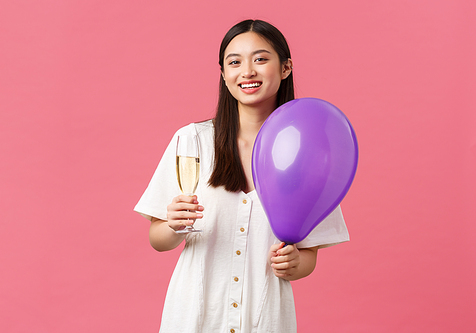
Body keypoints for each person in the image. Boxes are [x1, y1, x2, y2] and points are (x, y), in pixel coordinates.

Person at [134, 19, 349, 333]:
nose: (247, 71)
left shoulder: (310, 147)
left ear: (286, 67)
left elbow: (307, 256)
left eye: (260, 59)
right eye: (234, 62)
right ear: (223, 73)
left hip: (266, 318)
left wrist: (293, 265)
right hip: (194, 316)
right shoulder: (192, 142)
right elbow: (158, 239)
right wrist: (173, 225)